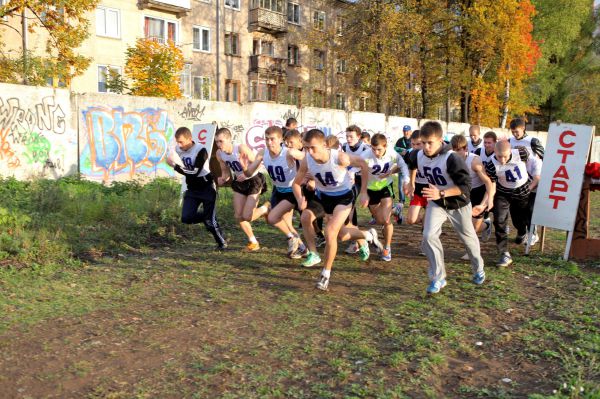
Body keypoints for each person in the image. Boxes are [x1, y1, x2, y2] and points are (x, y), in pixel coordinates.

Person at [292, 129, 382, 291]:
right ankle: (368, 235)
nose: (309, 152)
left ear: (325, 145)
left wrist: (363, 192)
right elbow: (296, 183)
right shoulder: (307, 161)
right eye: (306, 148)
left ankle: (325, 275)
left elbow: (363, 164)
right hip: (324, 198)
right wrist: (299, 199)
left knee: (331, 232)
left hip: (344, 197)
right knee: (342, 235)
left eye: (313, 148)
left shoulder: (340, 157)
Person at [407, 121, 485, 294]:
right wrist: (411, 182)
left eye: (430, 143)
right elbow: (410, 162)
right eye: (423, 142)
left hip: (458, 203)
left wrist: (442, 193)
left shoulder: (452, 158)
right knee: (428, 236)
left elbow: (466, 186)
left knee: (468, 240)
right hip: (437, 203)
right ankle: (438, 276)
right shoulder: (417, 154)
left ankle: (478, 268)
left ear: (441, 140)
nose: (426, 147)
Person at [243, 126, 308, 258]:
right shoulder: (262, 153)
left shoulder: (289, 152)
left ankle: (292, 238)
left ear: (280, 140)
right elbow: (249, 172)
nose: (269, 142)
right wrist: (244, 167)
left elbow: (307, 159)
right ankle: (303, 248)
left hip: (292, 191)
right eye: (266, 139)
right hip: (278, 190)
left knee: (272, 218)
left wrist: (307, 177)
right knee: (286, 224)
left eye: (272, 139)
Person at [166, 127, 228, 250]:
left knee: (210, 223)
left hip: (206, 187)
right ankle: (209, 216)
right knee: (186, 218)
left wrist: (174, 166)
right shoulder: (178, 149)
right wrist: (169, 157)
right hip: (192, 189)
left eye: (181, 142)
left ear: (190, 139)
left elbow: (194, 172)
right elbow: (170, 155)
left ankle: (222, 242)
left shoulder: (201, 150)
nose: (179, 145)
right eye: (177, 142)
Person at [215, 127, 269, 251]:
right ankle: (253, 242)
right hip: (239, 182)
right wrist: (223, 178)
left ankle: (266, 208)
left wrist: (246, 174)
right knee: (239, 216)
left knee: (248, 216)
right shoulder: (219, 154)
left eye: (221, 141)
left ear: (229, 139)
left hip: (254, 179)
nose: (218, 144)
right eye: (216, 142)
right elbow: (225, 172)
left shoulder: (240, 148)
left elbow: (258, 162)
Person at [485, 140, 537, 267]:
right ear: (494, 153)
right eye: (499, 156)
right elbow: (491, 183)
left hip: (522, 190)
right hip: (503, 192)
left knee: (519, 219)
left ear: (510, 151)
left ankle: (522, 231)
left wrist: (534, 177)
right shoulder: (491, 164)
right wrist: (490, 199)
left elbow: (533, 161)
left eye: (505, 156)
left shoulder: (521, 152)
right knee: (499, 219)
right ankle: (504, 253)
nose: (502, 160)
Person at [364, 133, 410, 261]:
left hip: (386, 187)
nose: (376, 152)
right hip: (371, 189)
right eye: (373, 149)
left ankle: (387, 248)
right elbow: (354, 166)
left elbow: (403, 166)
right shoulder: (366, 154)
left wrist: (406, 180)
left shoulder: (392, 153)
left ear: (385, 147)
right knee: (379, 220)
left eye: (379, 149)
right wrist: (350, 174)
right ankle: (396, 210)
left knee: (385, 220)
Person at [450, 135, 495, 254]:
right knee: (464, 226)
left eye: (458, 150)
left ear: (465, 149)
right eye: (453, 150)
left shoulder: (475, 162)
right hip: (463, 192)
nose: (455, 153)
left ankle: (471, 250)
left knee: (473, 228)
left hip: (478, 192)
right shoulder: (450, 159)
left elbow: (488, 182)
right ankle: (486, 226)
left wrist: (488, 200)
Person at [341, 125, 370, 254]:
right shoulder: (344, 147)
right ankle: (355, 239)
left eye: (351, 136)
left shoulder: (365, 148)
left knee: (379, 214)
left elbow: (363, 164)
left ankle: (361, 236)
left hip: (363, 179)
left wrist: (352, 171)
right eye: (347, 136)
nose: (348, 139)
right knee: (349, 204)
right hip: (349, 179)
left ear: (359, 137)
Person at [406, 130, 428, 225]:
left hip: (430, 188)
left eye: (418, 144)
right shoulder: (410, 154)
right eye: (413, 144)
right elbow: (402, 166)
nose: (415, 147)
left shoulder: (432, 154)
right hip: (417, 188)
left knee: (428, 223)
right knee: (411, 220)